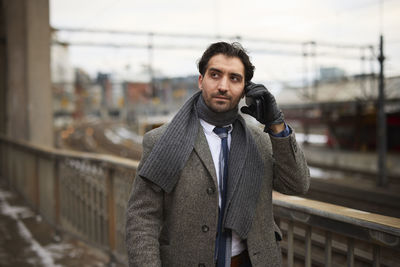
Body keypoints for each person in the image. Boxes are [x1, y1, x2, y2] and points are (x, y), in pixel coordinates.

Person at [125, 41, 310, 267]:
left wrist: (277, 124)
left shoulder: (260, 141)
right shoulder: (162, 141)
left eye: (234, 78)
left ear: (245, 89)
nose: (223, 86)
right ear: (201, 81)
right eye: (215, 75)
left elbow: (296, 184)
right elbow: (142, 218)